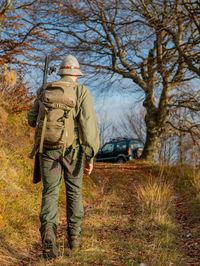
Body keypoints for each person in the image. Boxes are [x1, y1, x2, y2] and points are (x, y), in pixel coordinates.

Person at [27, 55, 99, 259]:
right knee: (74, 192)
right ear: (76, 74)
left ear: (60, 72)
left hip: (48, 150)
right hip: (73, 152)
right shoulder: (81, 91)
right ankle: (73, 241)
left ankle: (48, 234)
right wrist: (90, 155)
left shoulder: (45, 89)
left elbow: (32, 120)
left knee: (50, 193)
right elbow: (88, 125)